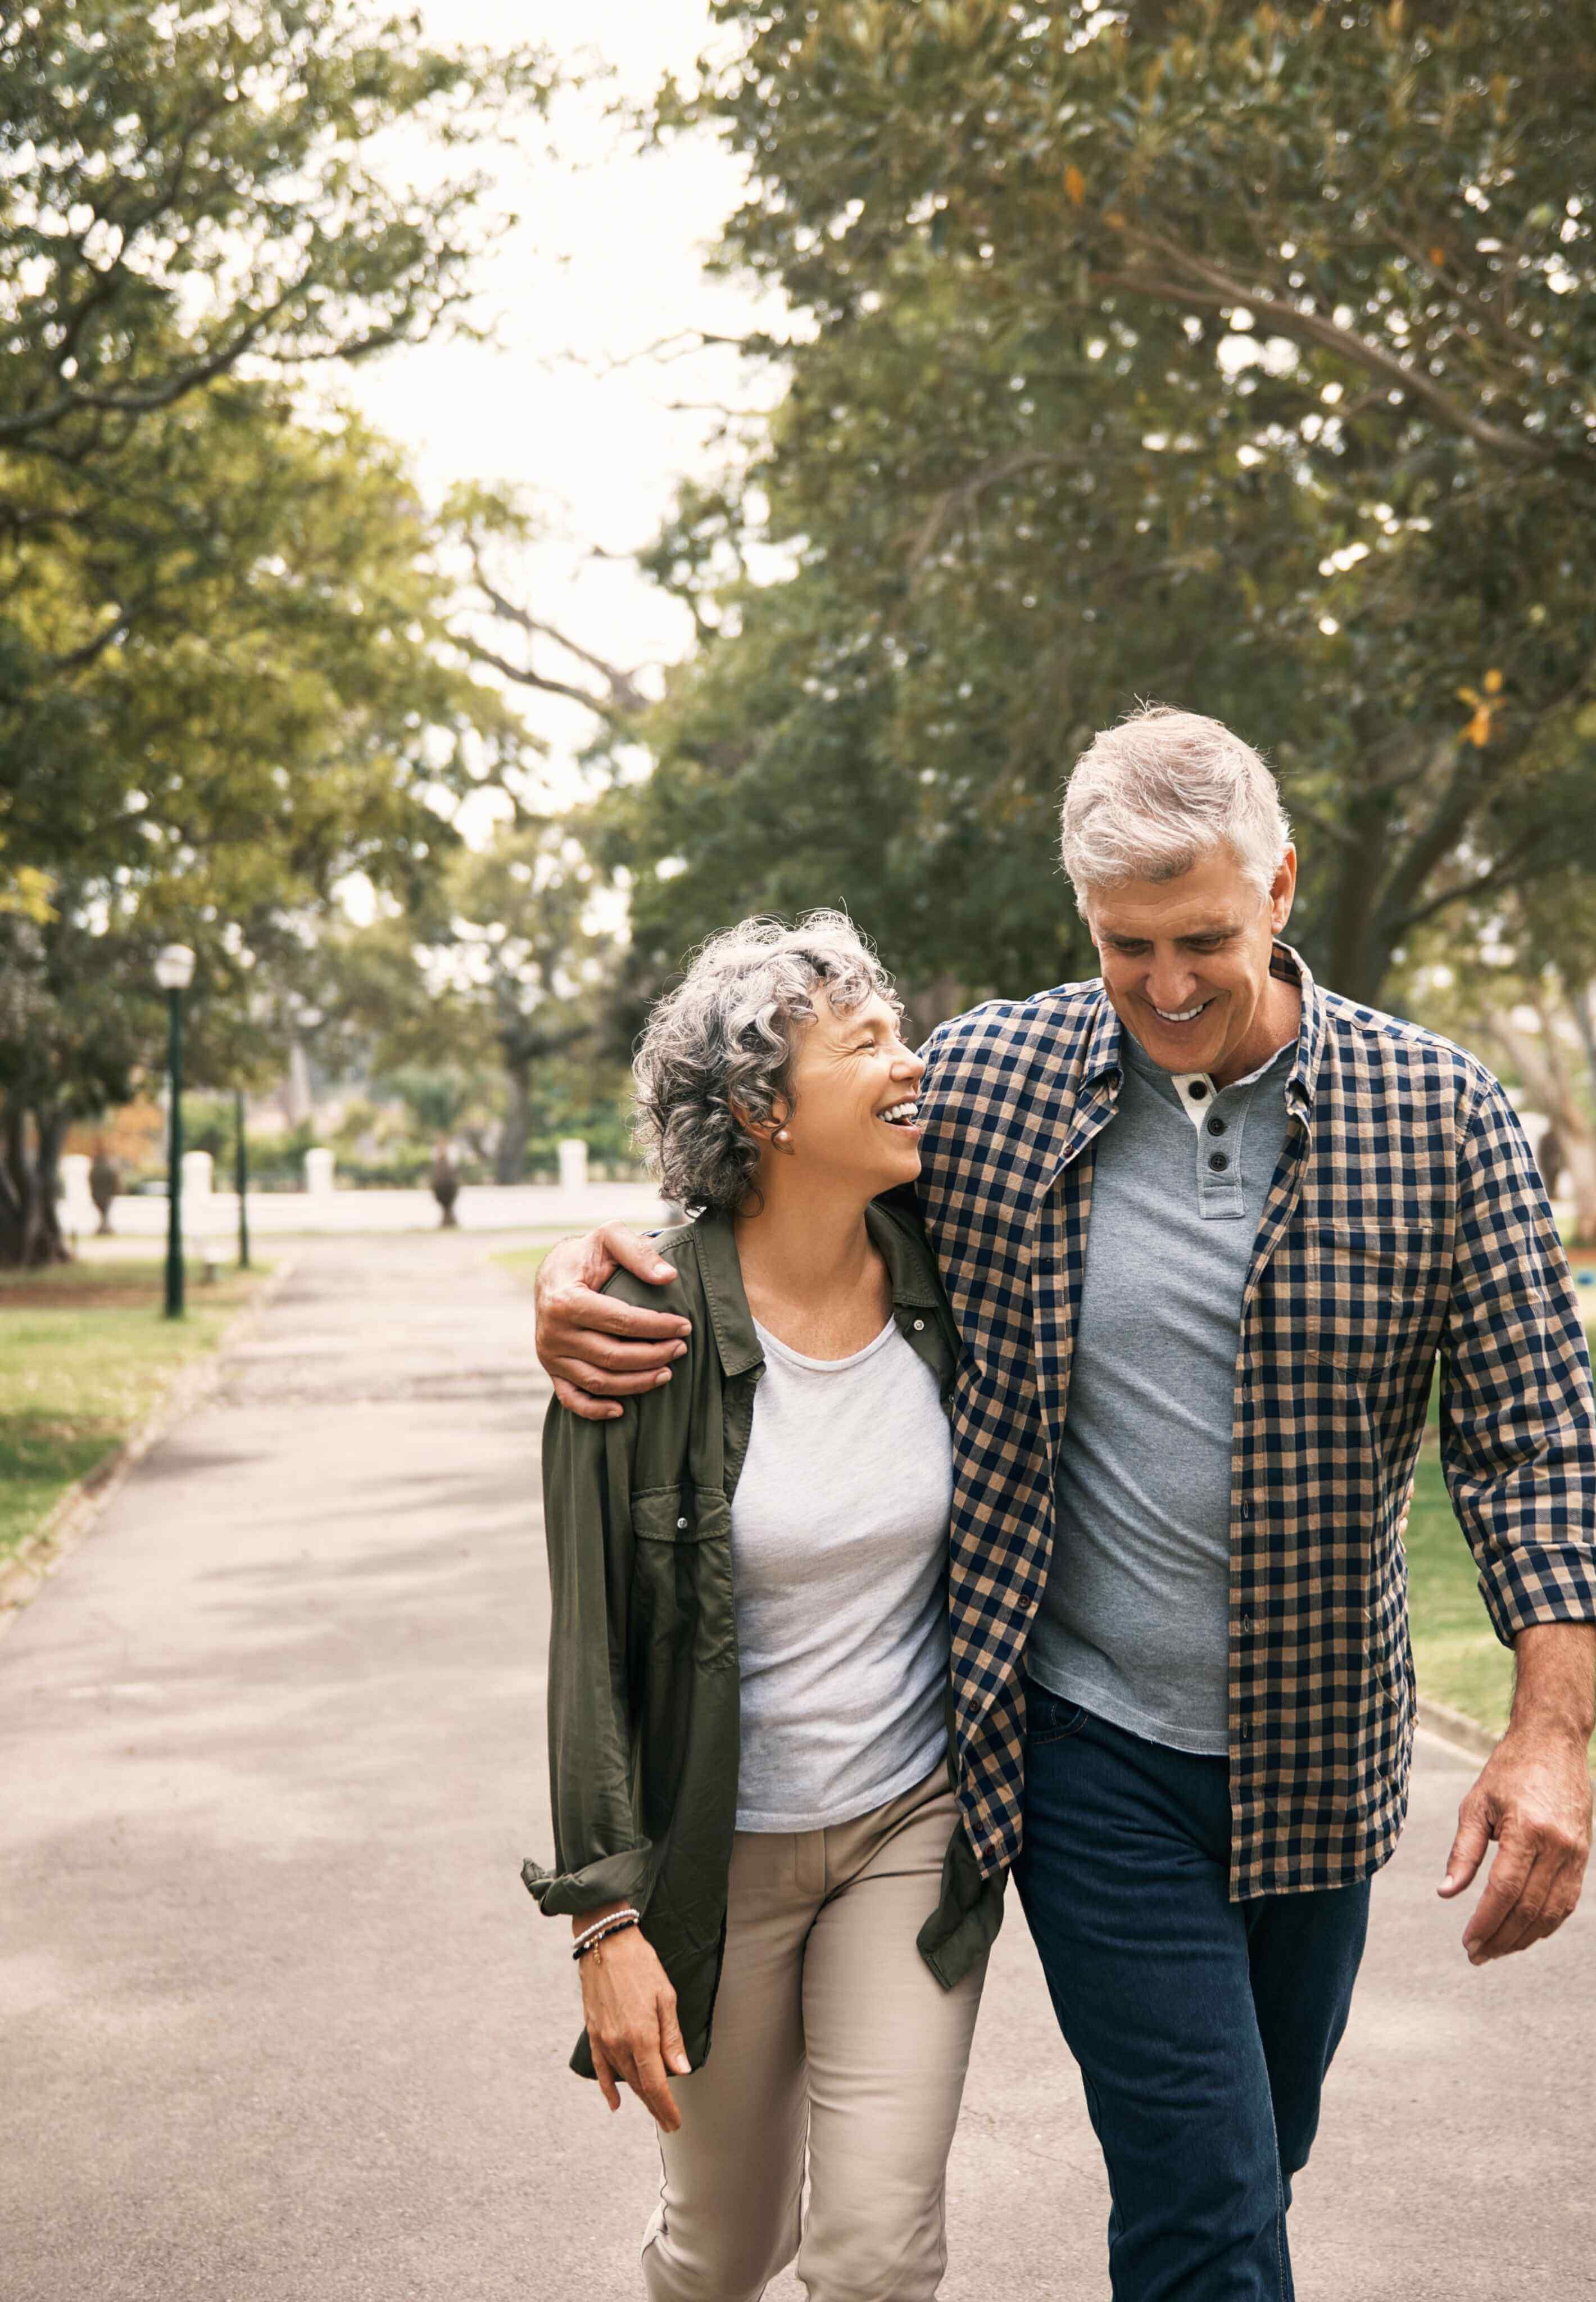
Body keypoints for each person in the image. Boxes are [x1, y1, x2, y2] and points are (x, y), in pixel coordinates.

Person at [535, 704, 1596, 2302]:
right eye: (1126, 947)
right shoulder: (989, 1080)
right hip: (1086, 1751)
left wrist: (1549, 1733)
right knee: (1200, 2195)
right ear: (1082, 924)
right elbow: (770, 1173)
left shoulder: (1439, 1116)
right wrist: (582, 1272)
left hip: (1321, 1755)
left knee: (1258, 2154)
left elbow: (1530, 1441)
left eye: (1203, 939)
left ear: (1282, 888)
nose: (1166, 986)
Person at [522, 913, 1001, 2302]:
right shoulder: (637, 1325)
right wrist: (603, 1926)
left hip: (912, 1829)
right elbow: (588, 1653)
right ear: (760, 1109)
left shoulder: (949, 1272)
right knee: (722, 2253)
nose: (914, 1066)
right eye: (868, 1046)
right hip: (711, 1857)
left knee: (874, 2256)